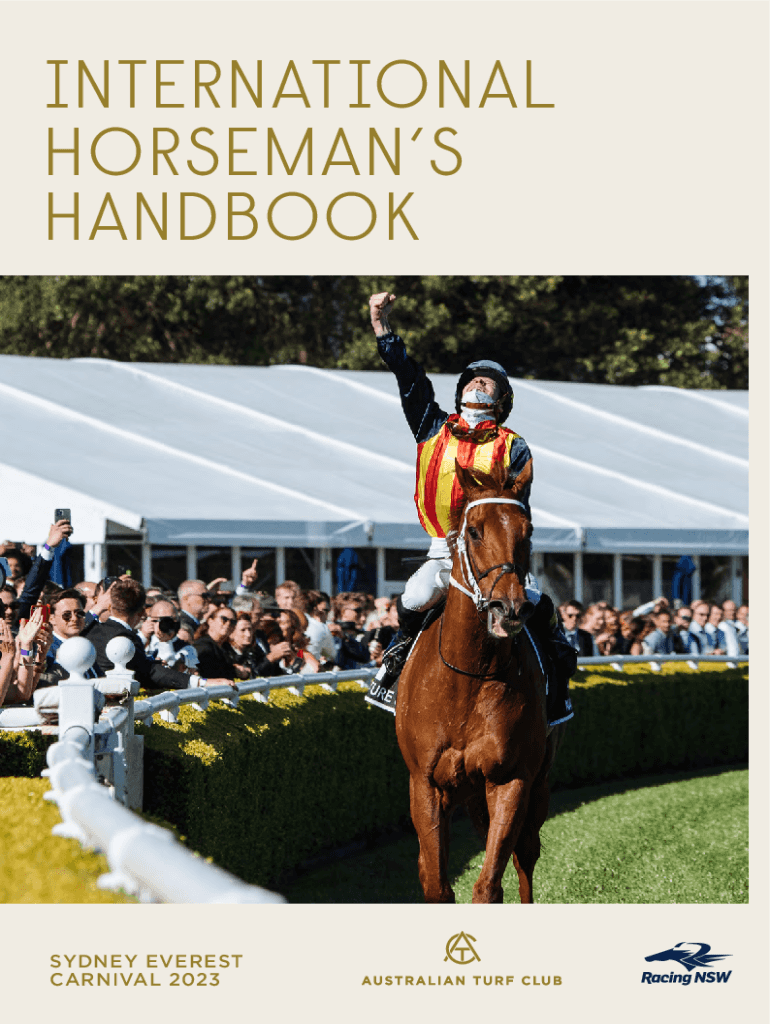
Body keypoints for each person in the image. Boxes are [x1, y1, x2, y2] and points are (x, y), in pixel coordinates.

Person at [365, 291, 574, 723]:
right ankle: (396, 659)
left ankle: (557, 675)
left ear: (502, 399)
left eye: (487, 381)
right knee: (416, 595)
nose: (477, 383)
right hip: (443, 547)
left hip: (494, 553)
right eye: (472, 379)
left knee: (537, 603)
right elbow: (409, 378)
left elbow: (516, 512)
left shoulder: (514, 446)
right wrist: (382, 328)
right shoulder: (431, 424)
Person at [86, 578, 234, 691]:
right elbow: (151, 673)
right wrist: (202, 682)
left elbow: (145, 667)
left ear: (110, 607)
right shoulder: (127, 638)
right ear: (142, 613)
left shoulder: (90, 630)